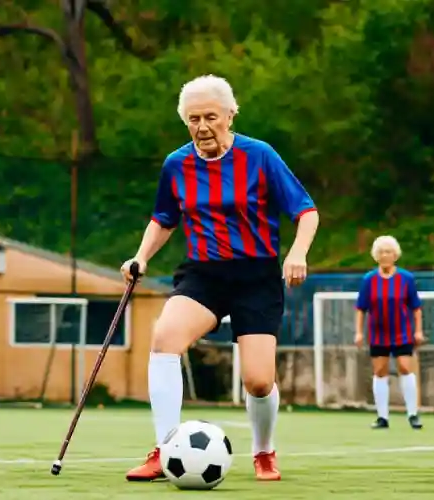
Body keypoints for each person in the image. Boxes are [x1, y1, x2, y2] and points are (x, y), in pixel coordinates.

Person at [121, 74, 318, 482]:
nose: (202, 126)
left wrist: (297, 252)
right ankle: (163, 450)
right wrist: (139, 257)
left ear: (230, 115)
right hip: (203, 274)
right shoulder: (176, 164)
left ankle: (264, 452)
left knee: (259, 382)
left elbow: (306, 211)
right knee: (165, 338)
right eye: (193, 119)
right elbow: (164, 218)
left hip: (256, 274)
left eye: (211, 116)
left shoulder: (260, 155)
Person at [353, 235, 424, 430]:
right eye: (382, 252)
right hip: (378, 333)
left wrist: (418, 331)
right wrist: (359, 332)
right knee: (380, 371)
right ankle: (382, 417)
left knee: (405, 367)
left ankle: (413, 414)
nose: (385, 255)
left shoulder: (406, 278)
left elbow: (416, 308)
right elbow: (361, 308)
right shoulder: (369, 280)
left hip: (401, 332)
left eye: (389, 252)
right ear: (376, 255)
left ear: (395, 255)